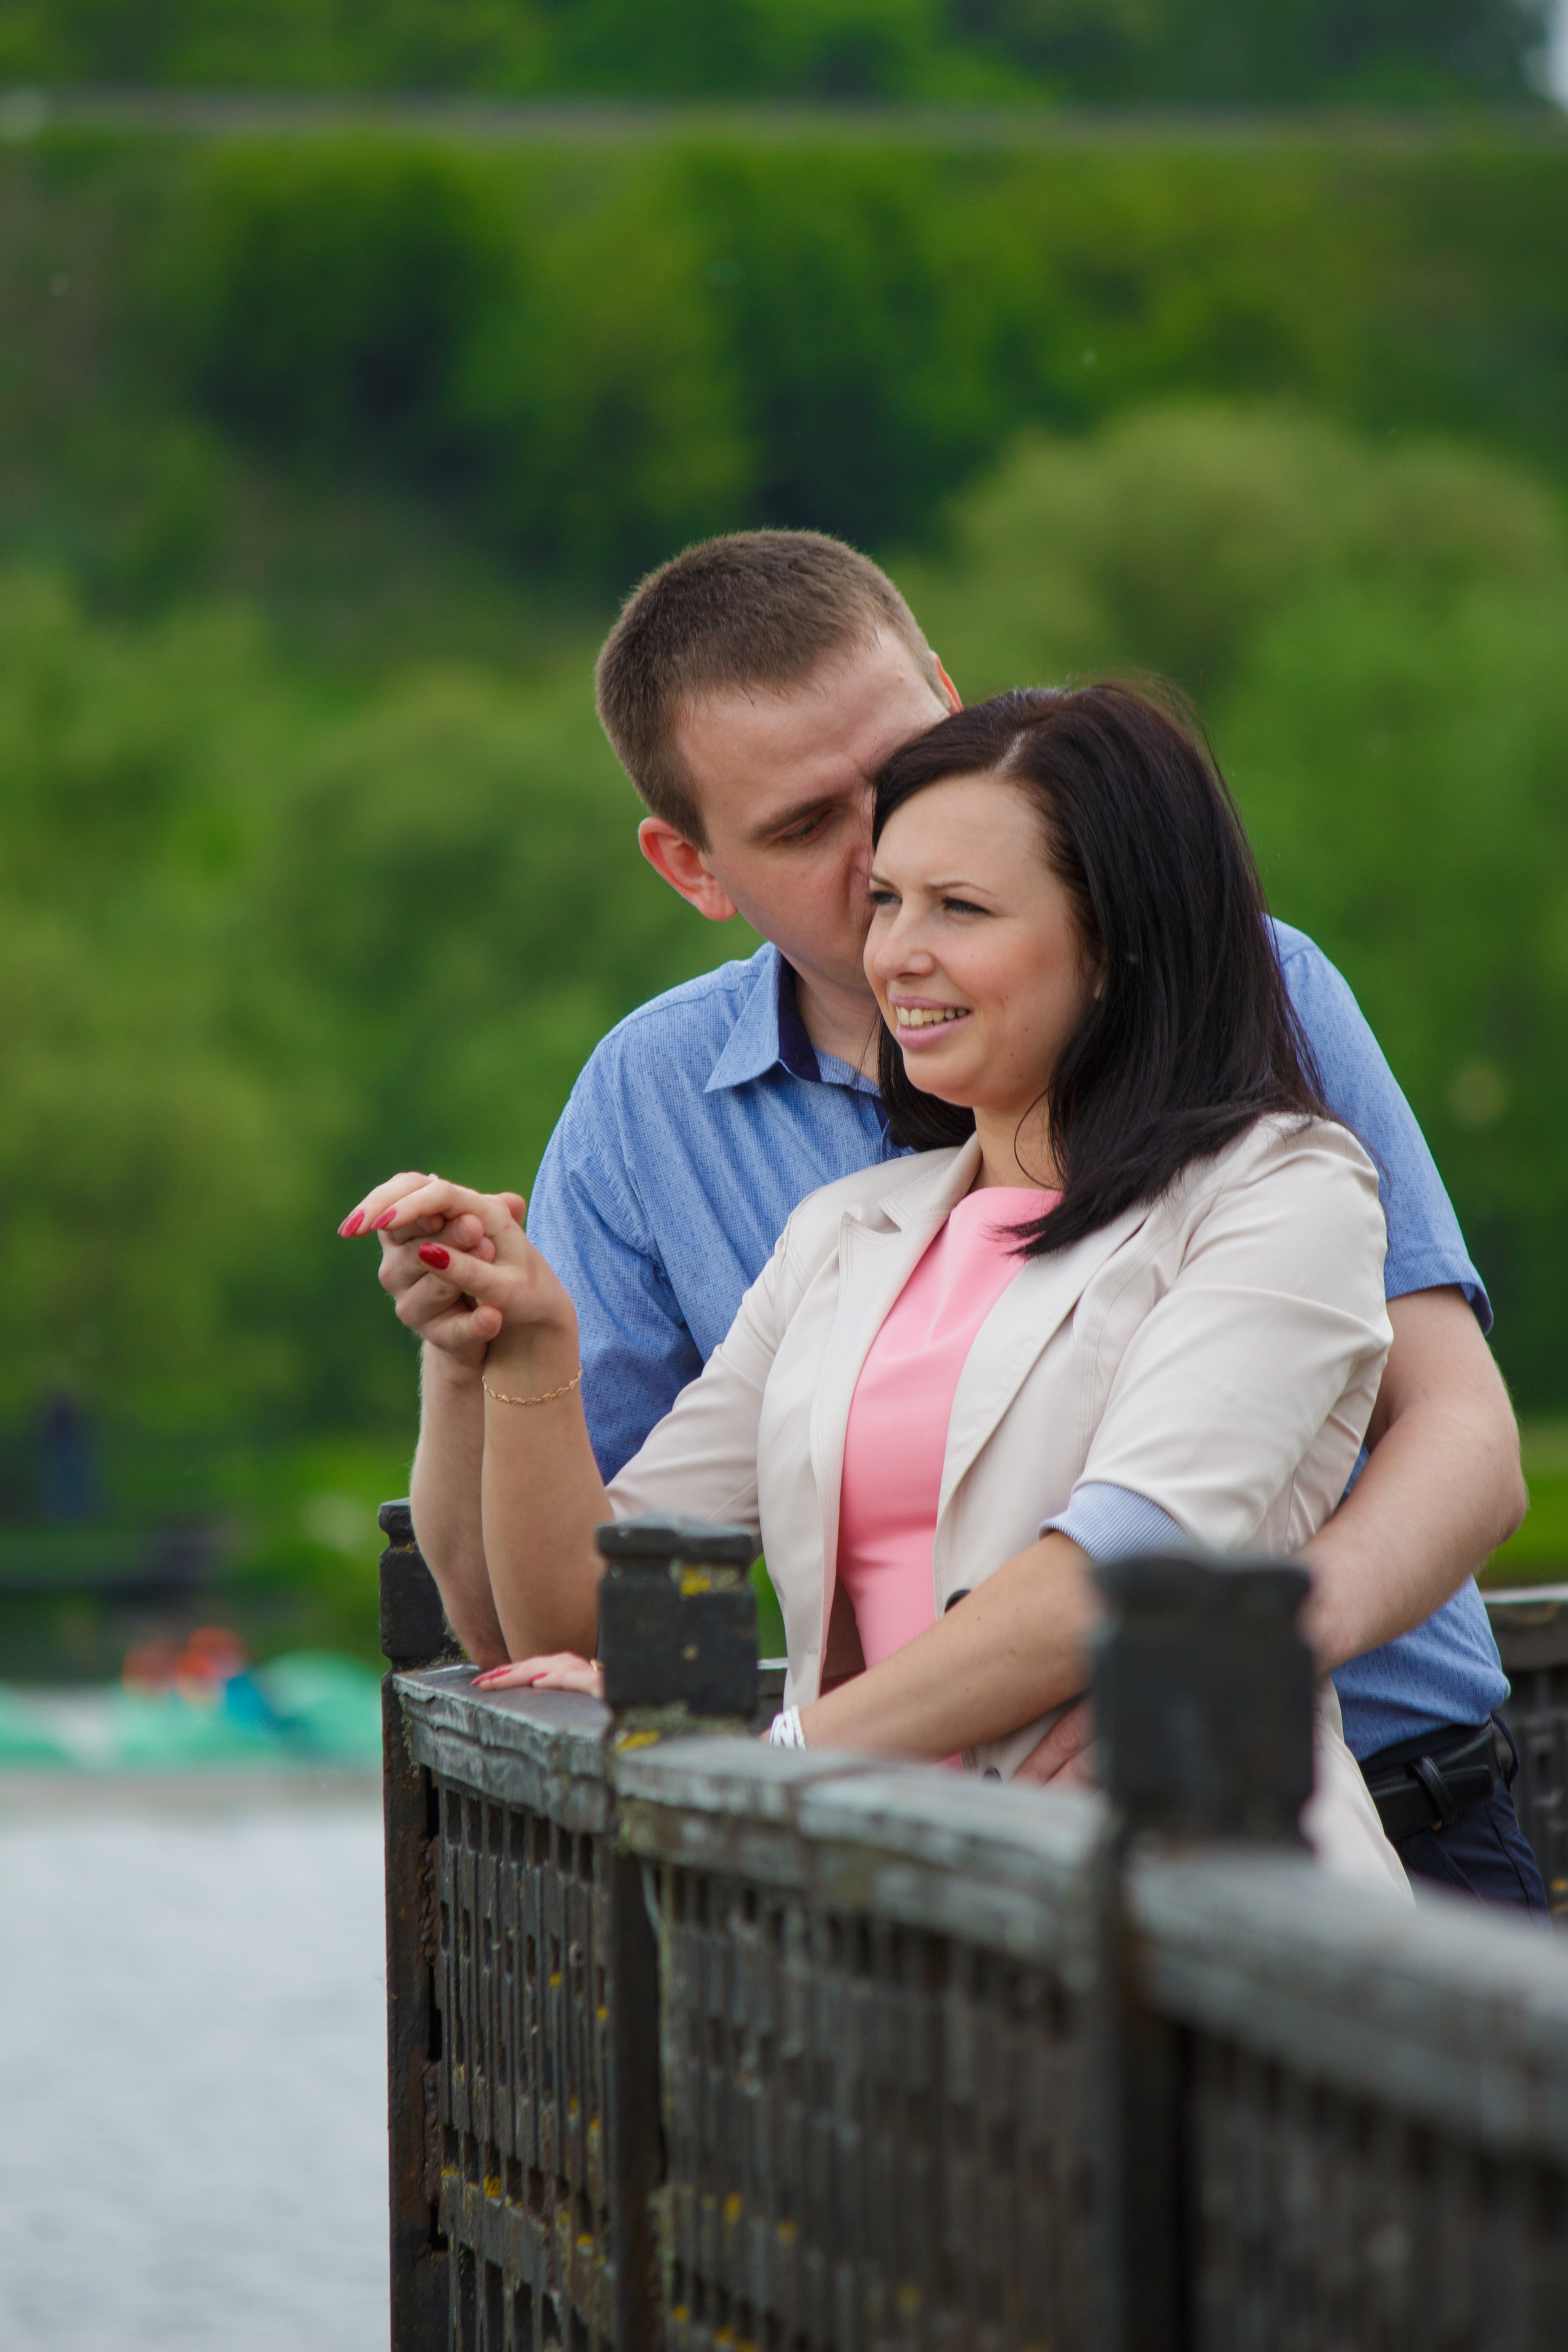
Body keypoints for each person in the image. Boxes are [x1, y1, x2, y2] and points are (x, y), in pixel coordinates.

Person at [343, 530, 1537, 1910]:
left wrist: (1227, 1662)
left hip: (1344, 1807)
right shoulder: (758, 1168)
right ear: (690, 866)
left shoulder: (1258, 1032)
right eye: (806, 829)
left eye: (908, 774)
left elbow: (1456, 1442)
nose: (877, 866)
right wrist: (491, 1347)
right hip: (924, 1885)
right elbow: (563, 1619)